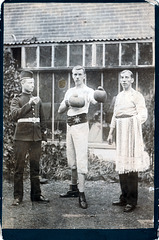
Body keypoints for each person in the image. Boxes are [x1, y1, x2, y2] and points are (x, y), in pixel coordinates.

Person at [58, 65, 106, 209]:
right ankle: (73, 188)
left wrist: (100, 93)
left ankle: (82, 193)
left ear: (84, 75)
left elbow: (96, 100)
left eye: (79, 74)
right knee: (71, 159)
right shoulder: (69, 91)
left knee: (81, 159)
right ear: (72, 76)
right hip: (70, 125)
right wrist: (68, 102)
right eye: (75, 74)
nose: (77, 77)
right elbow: (60, 110)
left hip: (81, 125)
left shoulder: (88, 91)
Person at [107, 70, 149, 212]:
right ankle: (124, 197)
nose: (124, 80)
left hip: (131, 132)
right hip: (120, 131)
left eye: (127, 78)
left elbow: (143, 114)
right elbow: (115, 115)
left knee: (131, 166)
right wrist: (111, 132)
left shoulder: (137, 96)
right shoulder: (118, 96)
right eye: (122, 78)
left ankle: (132, 201)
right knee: (122, 164)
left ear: (132, 80)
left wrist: (131, 123)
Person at [10, 70, 49, 206]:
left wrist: (43, 136)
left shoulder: (38, 100)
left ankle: (36, 195)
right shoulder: (17, 99)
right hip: (21, 138)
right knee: (19, 168)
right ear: (22, 83)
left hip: (35, 138)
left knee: (35, 168)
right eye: (30, 83)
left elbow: (42, 119)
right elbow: (14, 115)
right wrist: (29, 104)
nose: (33, 85)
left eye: (33, 83)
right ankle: (17, 197)